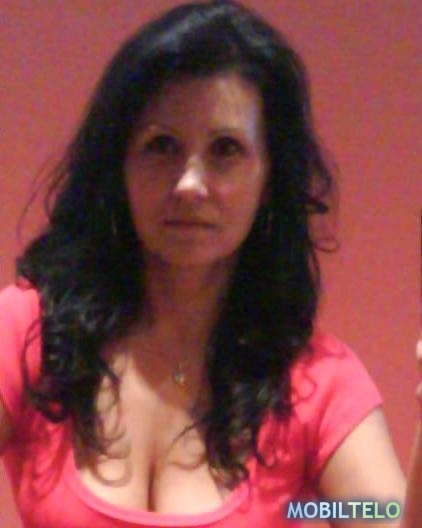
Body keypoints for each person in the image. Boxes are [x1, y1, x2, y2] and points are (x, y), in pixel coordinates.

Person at [0, 1, 421, 526]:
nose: (190, 184)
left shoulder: (318, 381)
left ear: (269, 179)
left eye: (225, 149)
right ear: (119, 166)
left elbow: (376, 514)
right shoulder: (30, 333)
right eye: (161, 146)